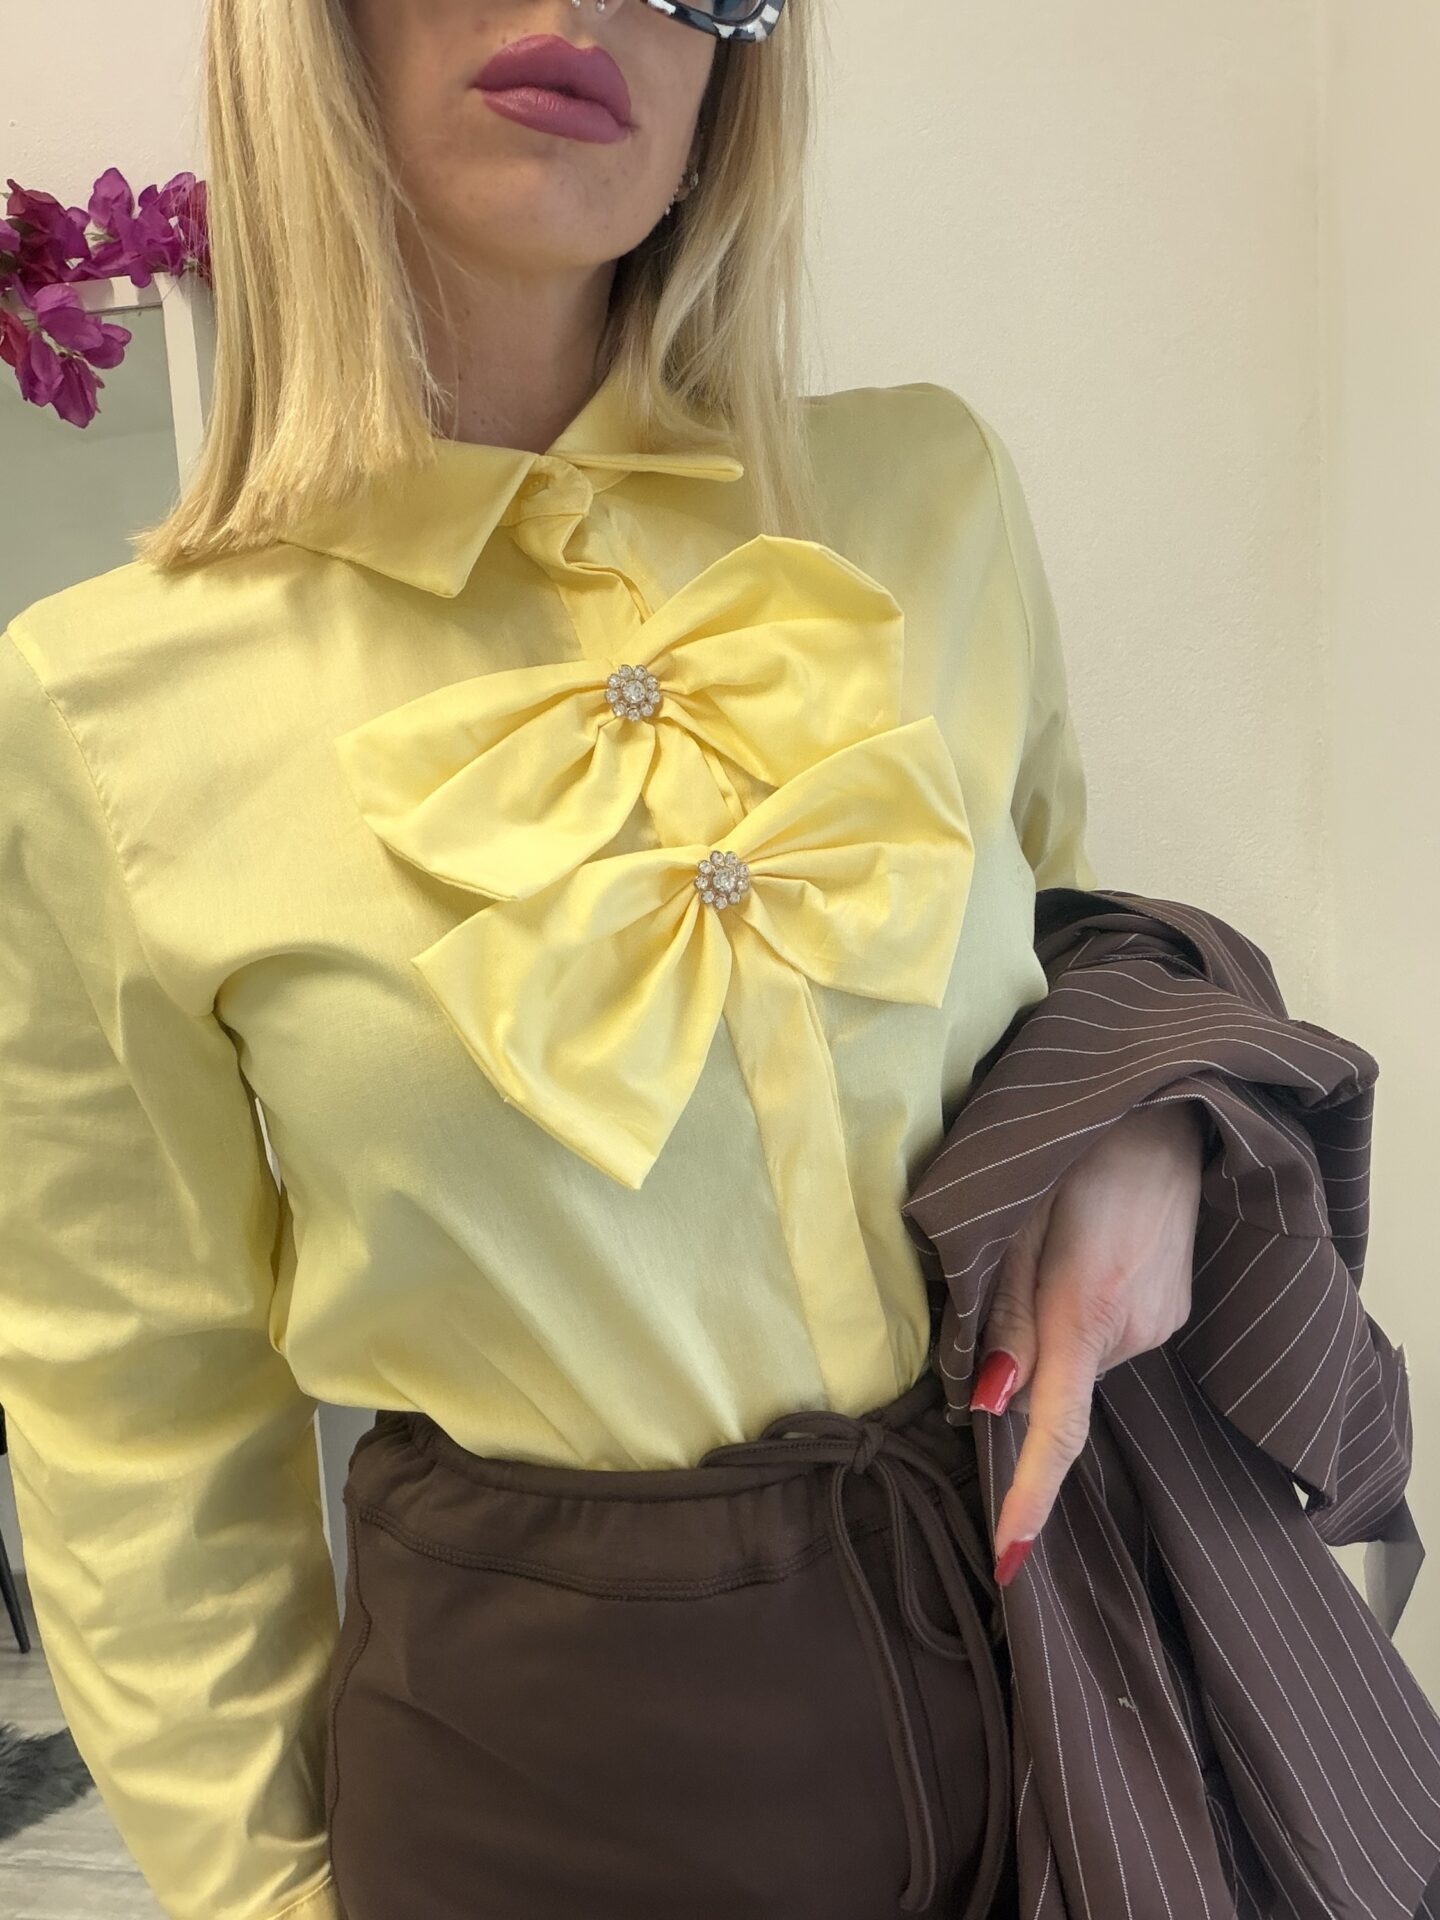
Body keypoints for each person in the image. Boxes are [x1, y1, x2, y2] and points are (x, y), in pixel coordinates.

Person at [0, 2, 1214, 1917]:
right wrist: (263, 1897)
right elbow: (134, 1403)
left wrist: (1149, 1137)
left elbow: (1071, 962)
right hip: (541, 1778)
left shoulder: (932, 499)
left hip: (1051, 1655)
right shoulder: (102, 711)